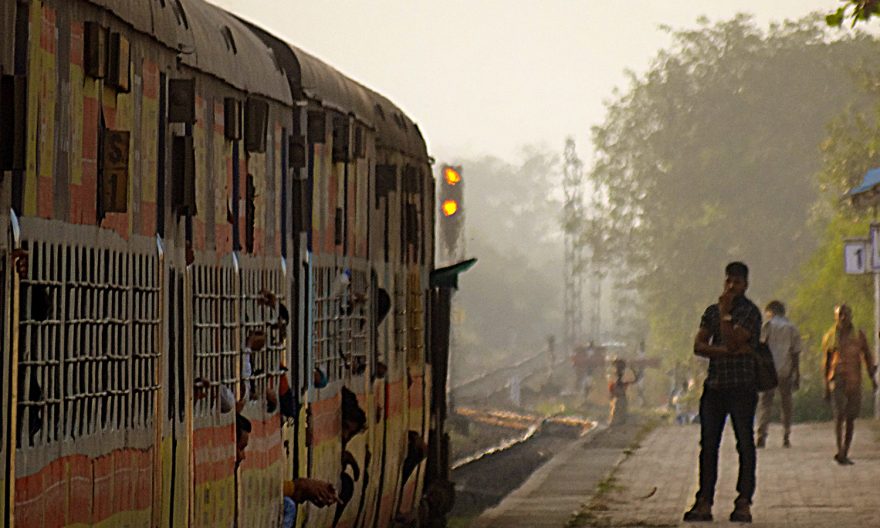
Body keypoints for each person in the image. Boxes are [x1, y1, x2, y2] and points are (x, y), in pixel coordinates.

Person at [683, 262, 761, 524]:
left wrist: (727, 316)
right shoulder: (710, 312)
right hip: (715, 385)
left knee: (744, 444)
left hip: (742, 386)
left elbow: (731, 340)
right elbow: (699, 345)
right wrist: (726, 351)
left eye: (736, 283)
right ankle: (704, 501)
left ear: (745, 285)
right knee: (708, 445)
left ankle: (743, 501)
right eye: (728, 281)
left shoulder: (750, 313)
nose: (731, 287)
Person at [821, 304, 878, 465]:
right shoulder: (830, 336)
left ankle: (846, 449)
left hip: (854, 379)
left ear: (851, 316)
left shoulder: (858, 336)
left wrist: (873, 380)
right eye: (840, 315)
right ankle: (840, 450)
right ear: (836, 318)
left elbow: (867, 357)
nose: (843, 318)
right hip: (836, 378)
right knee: (839, 415)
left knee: (851, 417)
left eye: (846, 314)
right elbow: (826, 363)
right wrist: (825, 385)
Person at [756, 300, 802, 448]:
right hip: (785, 369)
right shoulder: (791, 328)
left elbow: (760, 347)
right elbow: (795, 353)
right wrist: (796, 373)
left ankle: (762, 434)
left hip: (769, 370)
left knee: (765, 403)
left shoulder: (767, 326)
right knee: (786, 402)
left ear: (771, 312)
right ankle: (786, 434)